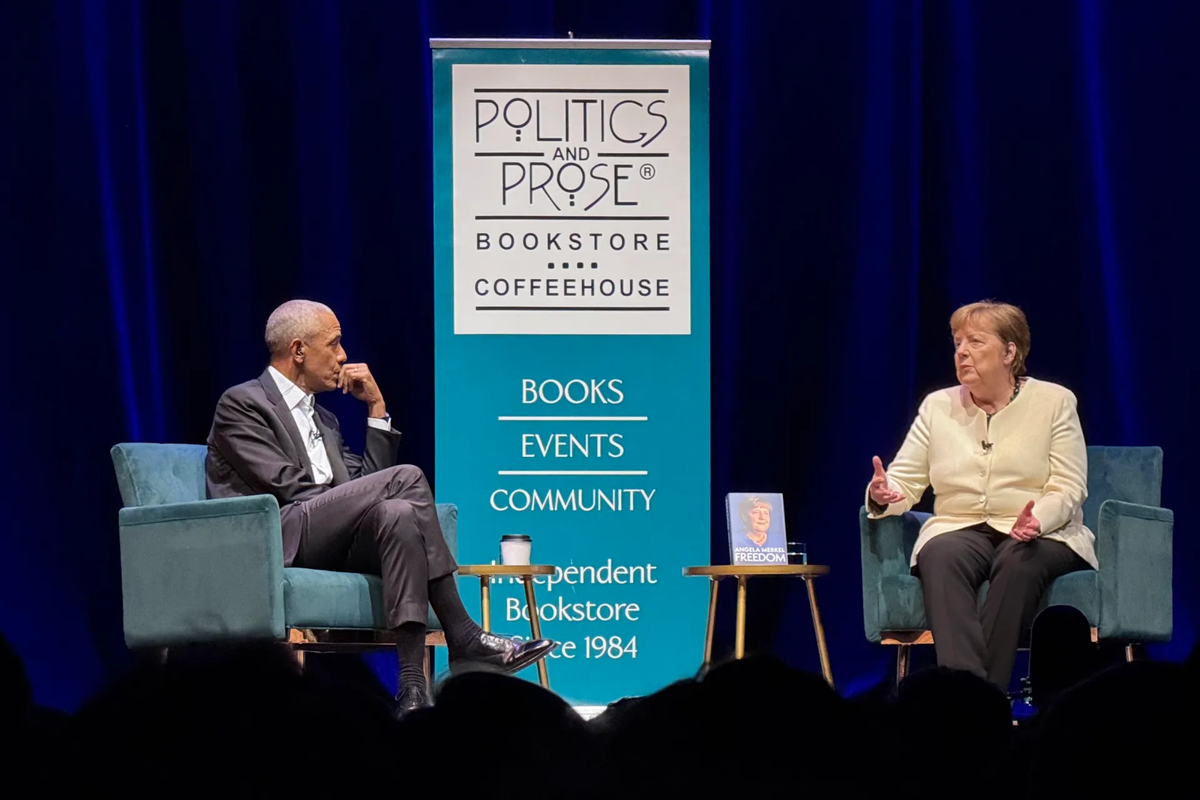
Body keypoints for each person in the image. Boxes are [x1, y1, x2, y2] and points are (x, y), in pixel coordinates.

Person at [206, 299, 556, 717]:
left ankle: (411, 688)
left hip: (327, 534)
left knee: (399, 515)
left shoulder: (325, 421)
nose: (342, 357)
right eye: (334, 344)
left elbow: (371, 489)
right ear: (298, 350)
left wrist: (376, 409)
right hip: (281, 535)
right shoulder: (243, 404)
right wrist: (352, 498)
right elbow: (288, 487)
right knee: (407, 477)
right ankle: (463, 634)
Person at [866, 300, 1094, 690]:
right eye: (957, 343)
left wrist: (1039, 518)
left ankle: (975, 700)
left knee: (1018, 561)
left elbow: (1069, 484)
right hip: (960, 526)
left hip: (1041, 533)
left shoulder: (1054, 401)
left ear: (1009, 352)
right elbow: (905, 479)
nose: (962, 352)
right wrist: (885, 493)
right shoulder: (938, 406)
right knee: (939, 554)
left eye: (975, 342)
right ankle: (972, 698)